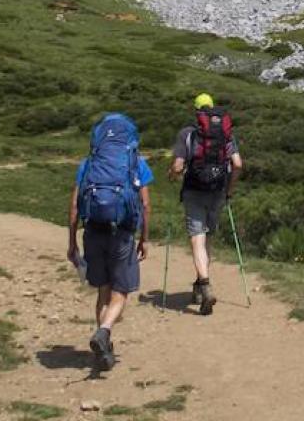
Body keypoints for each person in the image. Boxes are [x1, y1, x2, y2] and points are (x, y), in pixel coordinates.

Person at [67, 112, 152, 370]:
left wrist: (72, 243)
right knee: (121, 290)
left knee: (103, 290)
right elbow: (145, 204)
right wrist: (144, 239)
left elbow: (73, 207)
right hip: (122, 233)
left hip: (92, 231)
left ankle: (103, 347)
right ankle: (104, 331)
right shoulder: (136, 162)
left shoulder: (89, 164)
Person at [168, 92, 242, 315]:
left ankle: (205, 284)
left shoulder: (187, 134)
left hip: (194, 191)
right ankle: (200, 284)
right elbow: (237, 164)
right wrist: (229, 190)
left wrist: (172, 174)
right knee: (207, 237)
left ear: (196, 110)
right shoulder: (226, 134)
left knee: (197, 238)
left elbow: (179, 166)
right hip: (218, 191)